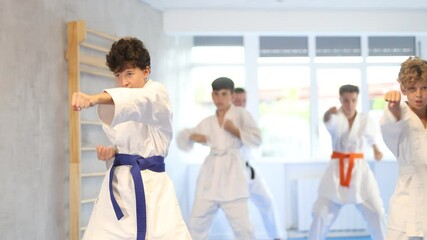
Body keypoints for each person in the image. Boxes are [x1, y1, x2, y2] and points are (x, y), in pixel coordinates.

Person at [71, 37, 191, 240]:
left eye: (129, 73)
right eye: (118, 75)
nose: (123, 82)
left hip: (152, 188)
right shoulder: (121, 102)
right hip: (118, 190)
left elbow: (138, 102)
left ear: (146, 71)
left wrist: (93, 98)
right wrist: (112, 153)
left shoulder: (157, 94)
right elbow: (125, 143)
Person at [176, 77, 261, 240]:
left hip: (233, 176)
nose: (219, 98)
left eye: (224, 94)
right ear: (212, 96)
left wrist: (235, 130)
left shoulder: (242, 115)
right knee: (196, 224)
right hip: (210, 177)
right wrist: (194, 137)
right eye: (216, 94)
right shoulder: (208, 122)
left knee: (243, 228)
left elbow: (257, 138)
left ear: (232, 96)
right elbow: (183, 138)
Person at [308, 84, 387, 240]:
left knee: (377, 212)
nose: (349, 104)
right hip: (336, 171)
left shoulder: (364, 120)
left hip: (359, 171)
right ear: (340, 100)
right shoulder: (336, 117)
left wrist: (376, 150)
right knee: (319, 213)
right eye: (345, 101)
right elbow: (329, 122)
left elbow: (371, 139)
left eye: (353, 100)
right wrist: (327, 115)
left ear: (357, 99)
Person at [380, 56, 427, 240]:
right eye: (412, 88)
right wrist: (394, 110)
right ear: (403, 89)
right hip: (407, 203)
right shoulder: (400, 112)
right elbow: (390, 128)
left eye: (424, 87)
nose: (419, 95)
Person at [233, 87, 286, 240]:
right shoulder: (225, 120)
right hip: (233, 174)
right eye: (237, 100)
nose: (241, 104)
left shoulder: (247, 119)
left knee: (267, 202)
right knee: (238, 213)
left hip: (250, 170)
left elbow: (256, 140)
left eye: (244, 101)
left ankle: (277, 237)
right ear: (231, 100)